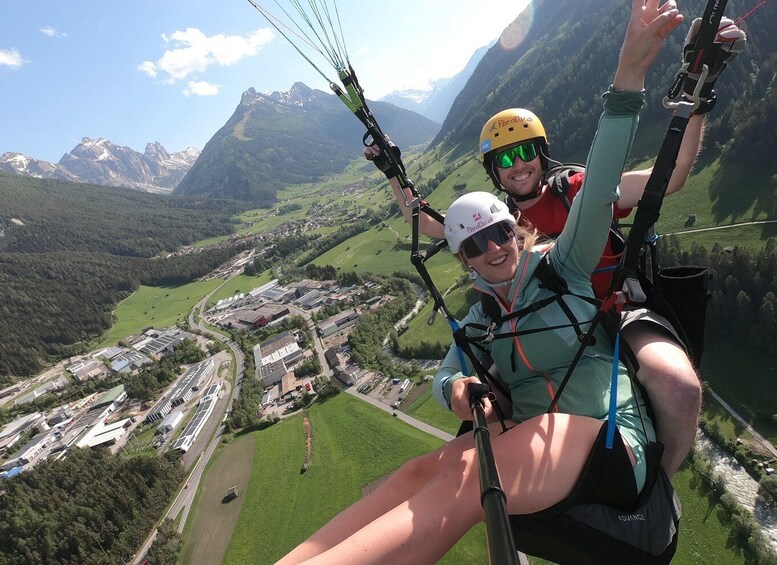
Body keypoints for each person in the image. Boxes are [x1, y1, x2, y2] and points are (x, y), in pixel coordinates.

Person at [278, 2, 683, 562]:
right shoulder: (479, 324)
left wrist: (629, 74)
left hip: (605, 441)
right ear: (463, 259)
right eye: (474, 244)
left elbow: (602, 185)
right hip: (539, 448)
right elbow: (448, 372)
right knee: (417, 472)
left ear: (518, 231)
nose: (492, 248)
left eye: (499, 234)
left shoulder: (563, 269)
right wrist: (459, 394)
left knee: (468, 474)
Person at [368, 14, 745, 477]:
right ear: (494, 172)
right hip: (542, 324)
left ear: (541, 152)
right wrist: (391, 171)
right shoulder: (498, 224)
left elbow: (672, 175)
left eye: (526, 150)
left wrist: (698, 95)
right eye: (504, 158)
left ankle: (656, 490)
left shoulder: (577, 190)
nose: (518, 163)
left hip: (615, 312)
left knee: (679, 389)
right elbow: (423, 222)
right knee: (485, 410)